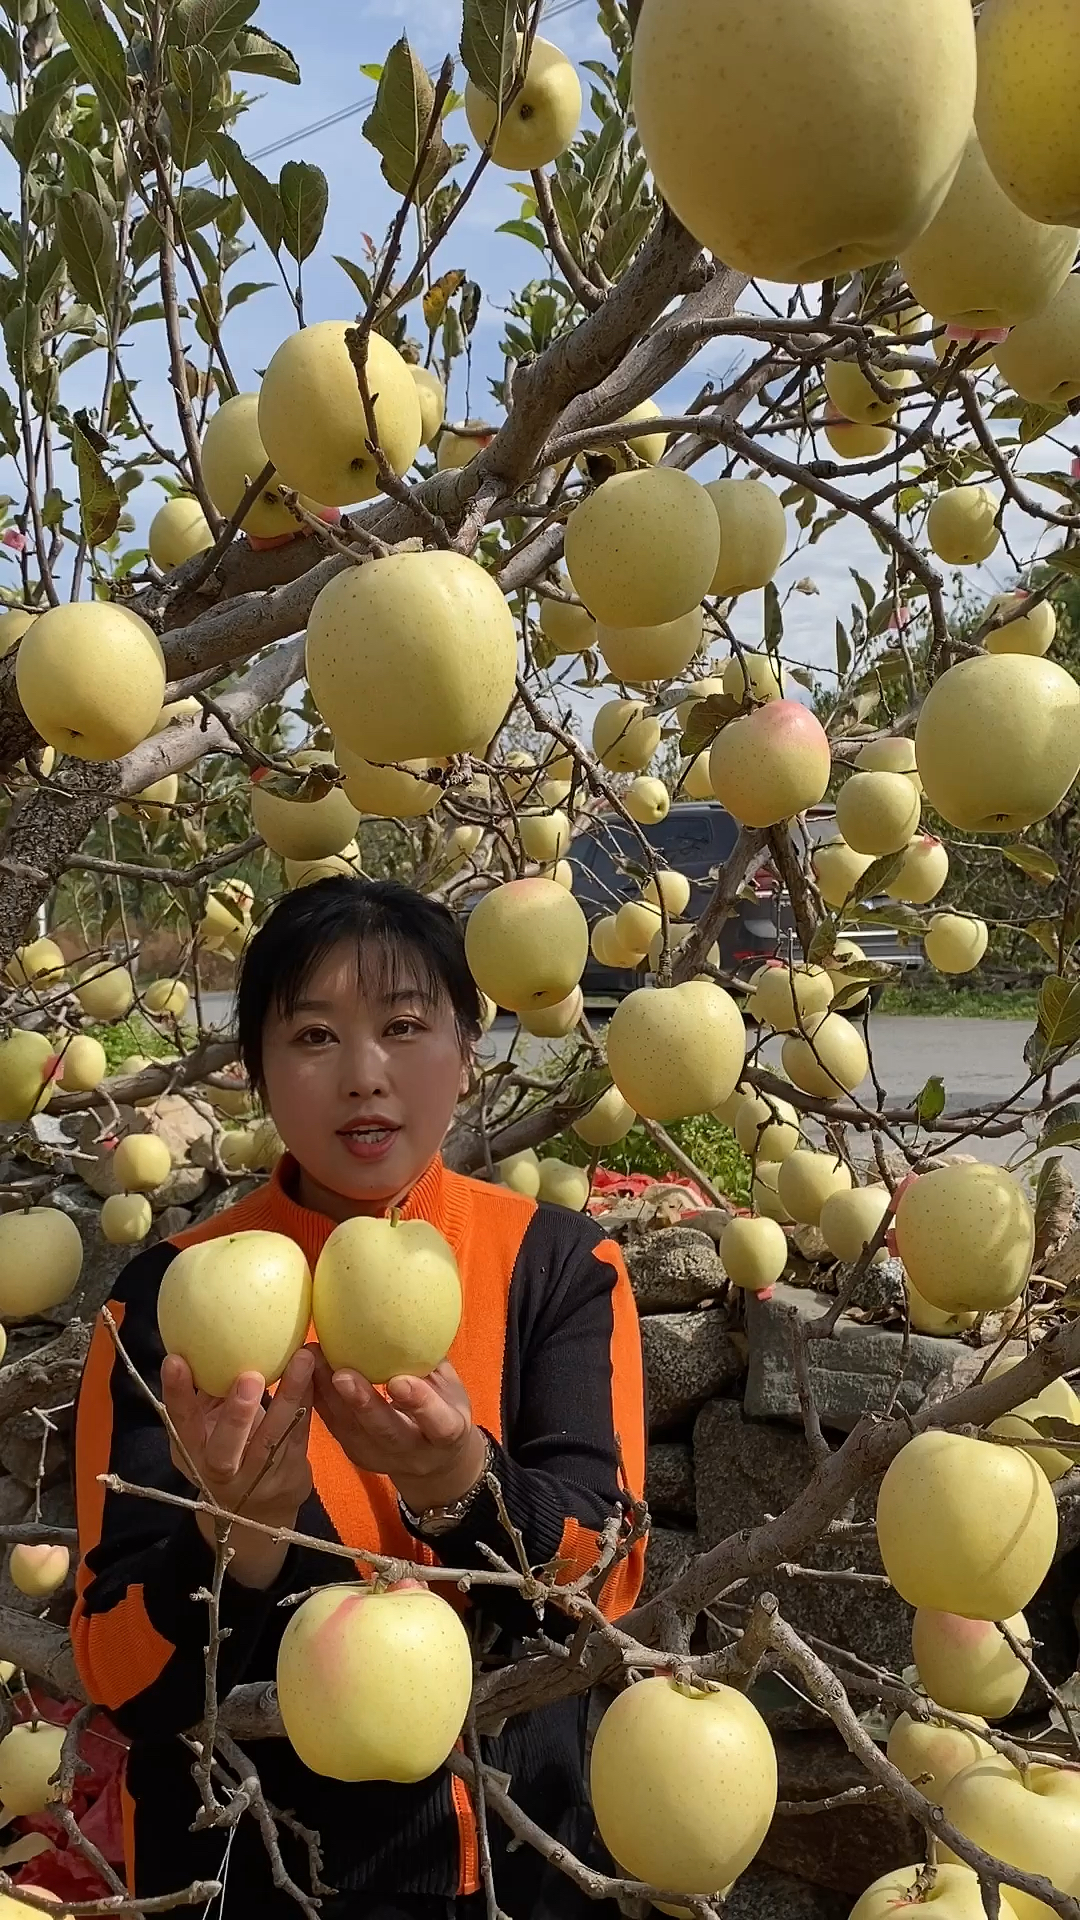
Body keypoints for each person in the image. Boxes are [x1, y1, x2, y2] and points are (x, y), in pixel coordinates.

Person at [71, 878, 647, 1919]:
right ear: (257, 1070)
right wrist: (230, 1534)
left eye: (405, 1027)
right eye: (314, 1036)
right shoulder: (167, 1297)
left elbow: (603, 1589)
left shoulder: (555, 1265)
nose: (364, 1076)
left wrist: (460, 1483)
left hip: (518, 1867)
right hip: (249, 1873)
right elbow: (121, 1669)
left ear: (467, 1056)